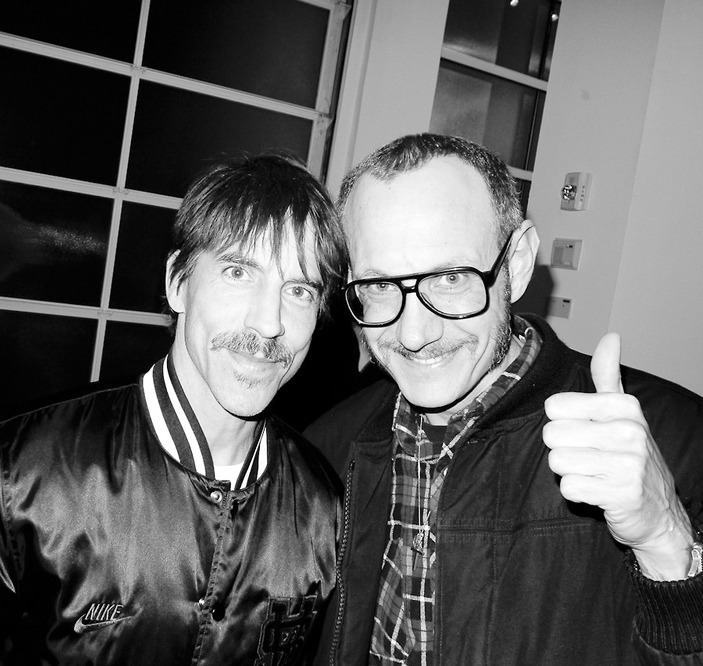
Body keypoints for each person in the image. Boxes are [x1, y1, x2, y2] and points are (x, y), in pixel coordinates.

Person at [305, 133, 703, 665]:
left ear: (516, 264)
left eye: (449, 278)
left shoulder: (676, 439)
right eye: (378, 286)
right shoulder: (328, 449)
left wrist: (664, 539)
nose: (414, 332)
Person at [0, 153, 349, 665]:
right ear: (177, 282)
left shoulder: (324, 512)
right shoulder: (24, 471)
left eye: (298, 290)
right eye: (238, 272)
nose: (269, 323)